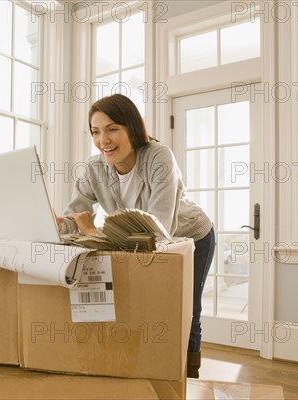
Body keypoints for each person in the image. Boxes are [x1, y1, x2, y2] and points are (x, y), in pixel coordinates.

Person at [56, 94, 215, 378]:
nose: (103, 139)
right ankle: (148, 373)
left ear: (133, 127)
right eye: (95, 131)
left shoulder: (159, 157)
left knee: (186, 311)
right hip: (138, 241)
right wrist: (58, 224)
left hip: (191, 236)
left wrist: (93, 232)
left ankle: (187, 380)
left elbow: (155, 231)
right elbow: (75, 216)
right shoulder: (94, 168)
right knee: (145, 307)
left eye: (113, 128)